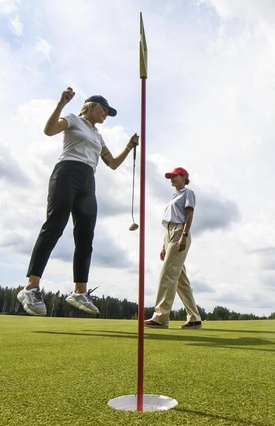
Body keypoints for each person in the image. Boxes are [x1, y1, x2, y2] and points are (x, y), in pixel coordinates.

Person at [18, 88, 139, 317]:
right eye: (104, 110)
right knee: (54, 226)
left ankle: (79, 292)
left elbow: (112, 164)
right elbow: (49, 130)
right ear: (91, 106)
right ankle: (31, 288)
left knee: (85, 237)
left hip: (88, 180)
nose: (106, 114)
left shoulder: (98, 135)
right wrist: (61, 104)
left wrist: (129, 146)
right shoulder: (73, 119)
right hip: (67, 172)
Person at [144, 167, 202, 329]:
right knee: (180, 279)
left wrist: (184, 234)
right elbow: (169, 223)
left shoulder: (187, 192)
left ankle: (161, 317)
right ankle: (194, 318)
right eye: (171, 177)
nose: (172, 179)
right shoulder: (174, 197)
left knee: (167, 274)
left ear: (183, 177)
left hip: (180, 231)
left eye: (174, 176)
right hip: (170, 233)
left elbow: (189, 215)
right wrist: (164, 245)